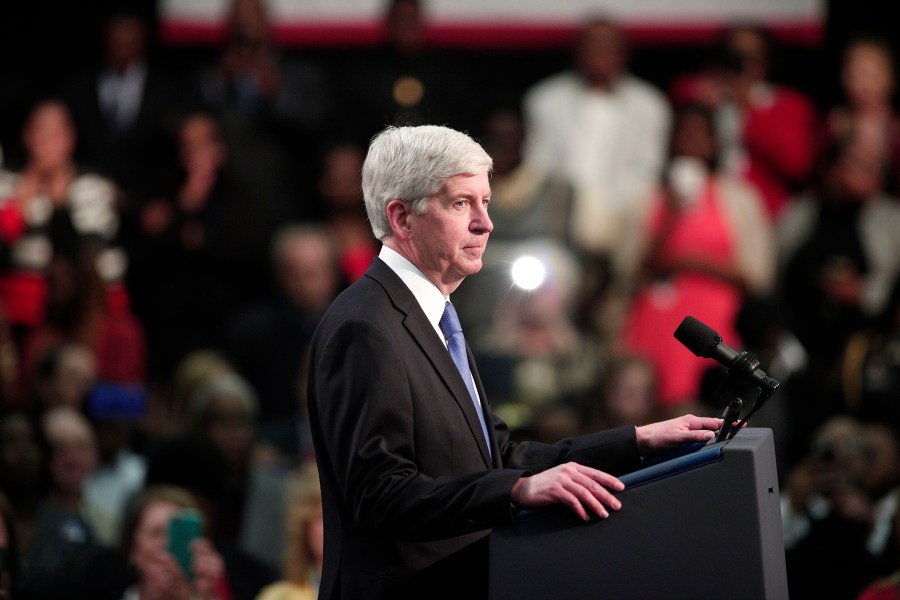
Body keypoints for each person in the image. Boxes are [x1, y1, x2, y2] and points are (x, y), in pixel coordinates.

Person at [306, 124, 722, 599]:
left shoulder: (435, 316)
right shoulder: (365, 326)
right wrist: (514, 492)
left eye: (486, 202)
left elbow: (500, 458)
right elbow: (379, 494)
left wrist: (638, 442)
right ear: (401, 218)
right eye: (462, 203)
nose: (486, 223)